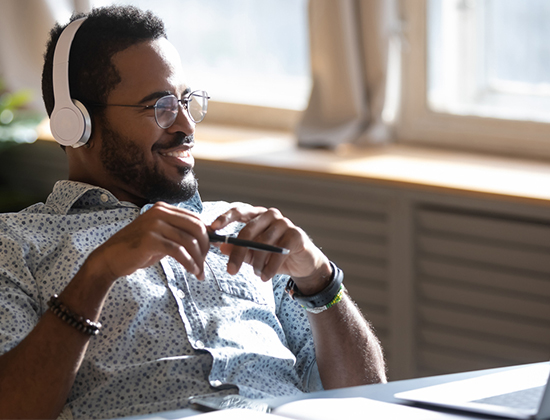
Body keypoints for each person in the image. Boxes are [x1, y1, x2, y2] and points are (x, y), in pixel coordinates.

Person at [0, 5, 386, 419]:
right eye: (160, 106)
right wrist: (97, 275)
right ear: (76, 124)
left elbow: (366, 404)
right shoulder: (17, 242)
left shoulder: (244, 231)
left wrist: (320, 280)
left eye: (186, 101)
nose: (186, 125)